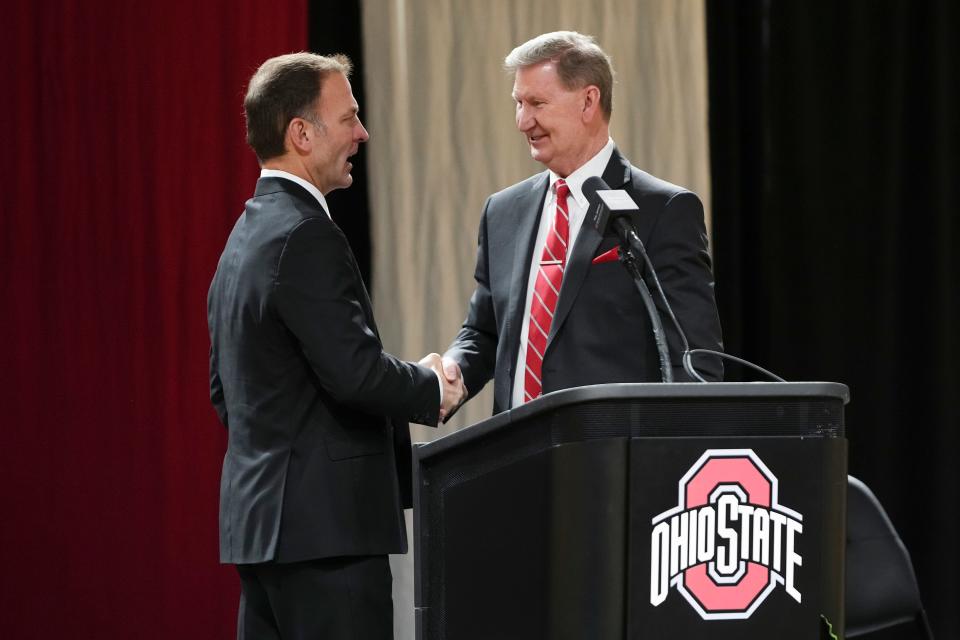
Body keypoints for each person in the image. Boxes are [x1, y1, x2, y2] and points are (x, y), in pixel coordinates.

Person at [207, 52, 464, 639]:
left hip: (261, 536)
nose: (362, 133)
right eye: (348, 118)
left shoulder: (241, 241)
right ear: (301, 133)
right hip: (327, 537)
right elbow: (354, 374)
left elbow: (226, 392)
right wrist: (430, 386)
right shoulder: (306, 234)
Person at [443, 31, 723, 415]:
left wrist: (668, 455)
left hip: (611, 457)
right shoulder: (502, 211)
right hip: (512, 456)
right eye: (518, 103)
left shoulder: (663, 209)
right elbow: (485, 331)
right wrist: (450, 373)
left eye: (537, 103)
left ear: (589, 101)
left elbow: (695, 361)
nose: (523, 121)